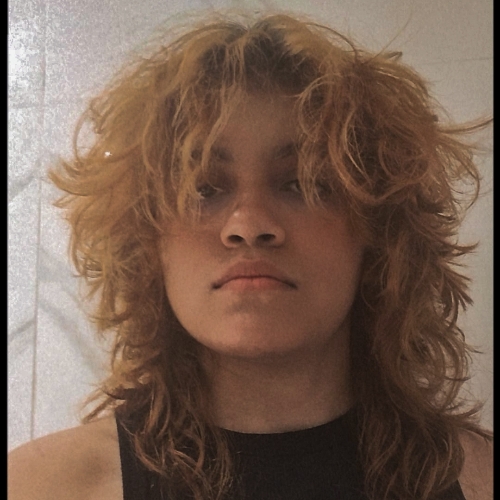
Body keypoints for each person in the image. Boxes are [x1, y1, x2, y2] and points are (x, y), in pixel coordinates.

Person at [8, 11, 492, 500]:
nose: (248, 225)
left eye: (301, 182)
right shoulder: (39, 487)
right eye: (203, 188)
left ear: (378, 228)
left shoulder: (481, 479)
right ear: (149, 241)